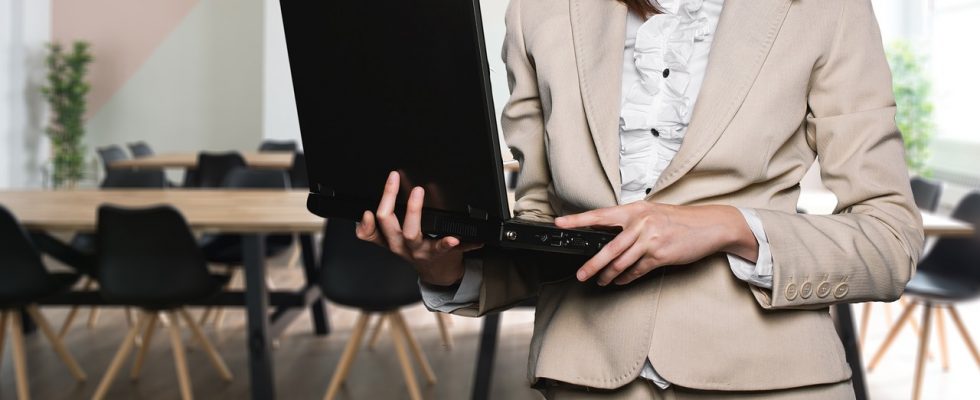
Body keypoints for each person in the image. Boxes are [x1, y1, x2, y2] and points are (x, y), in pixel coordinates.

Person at [356, 0, 925, 398]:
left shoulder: (828, 10)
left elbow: (890, 240)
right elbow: (543, 229)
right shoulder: (539, 10)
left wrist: (729, 226)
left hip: (777, 380)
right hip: (585, 379)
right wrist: (447, 266)